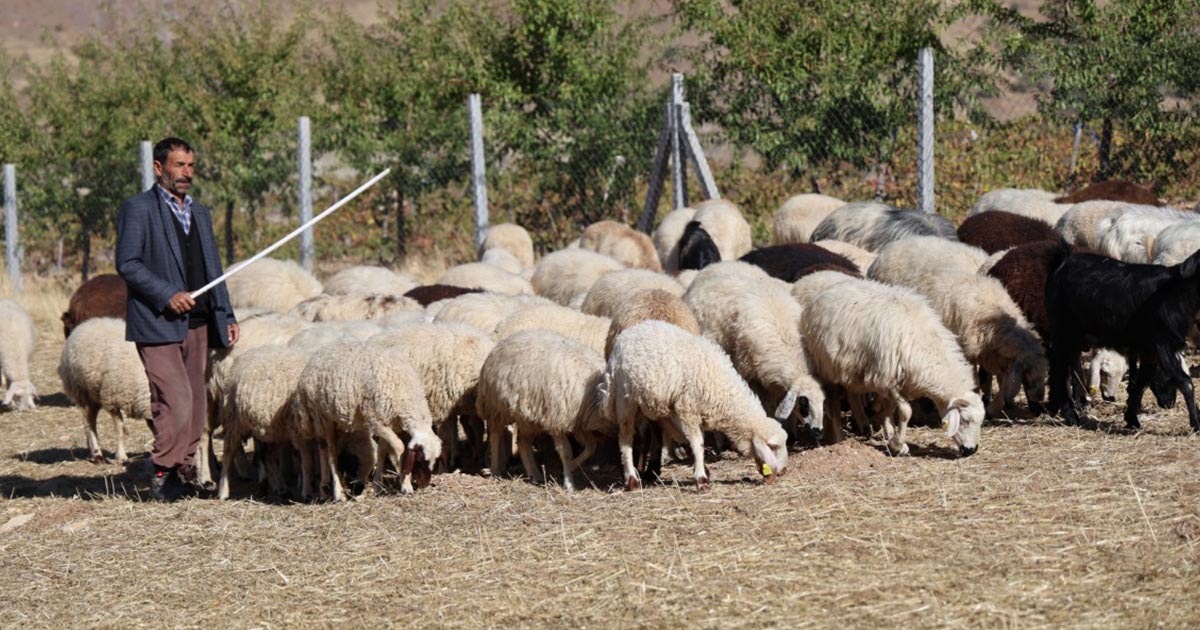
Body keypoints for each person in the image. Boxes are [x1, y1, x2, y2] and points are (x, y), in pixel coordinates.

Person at [115, 137, 240, 502]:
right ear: (159, 168)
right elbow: (128, 263)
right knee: (175, 398)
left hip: (198, 321)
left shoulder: (199, 212)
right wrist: (167, 294)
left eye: (191, 165)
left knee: (197, 403)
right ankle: (162, 471)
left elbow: (213, 268)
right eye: (179, 165)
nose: (187, 172)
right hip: (157, 320)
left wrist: (226, 313)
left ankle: (183, 472)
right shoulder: (138, 209)